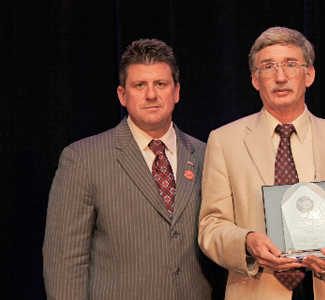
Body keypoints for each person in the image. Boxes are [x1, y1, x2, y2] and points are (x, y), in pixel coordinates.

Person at [198, 27, 325, 299]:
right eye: (268, 67)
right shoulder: (225, 142)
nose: (280, 77)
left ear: (309, 75)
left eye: (291, 65)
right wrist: (247, 243)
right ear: (254, 79)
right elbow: (211, 225)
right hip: (258, 288)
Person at [43, 39, 212, 299]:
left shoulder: (206, 154)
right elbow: (64, 261)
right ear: (123, 95)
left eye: (160, 84)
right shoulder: (83, 159)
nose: (151, 94)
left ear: (176, 92)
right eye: (139, 85)